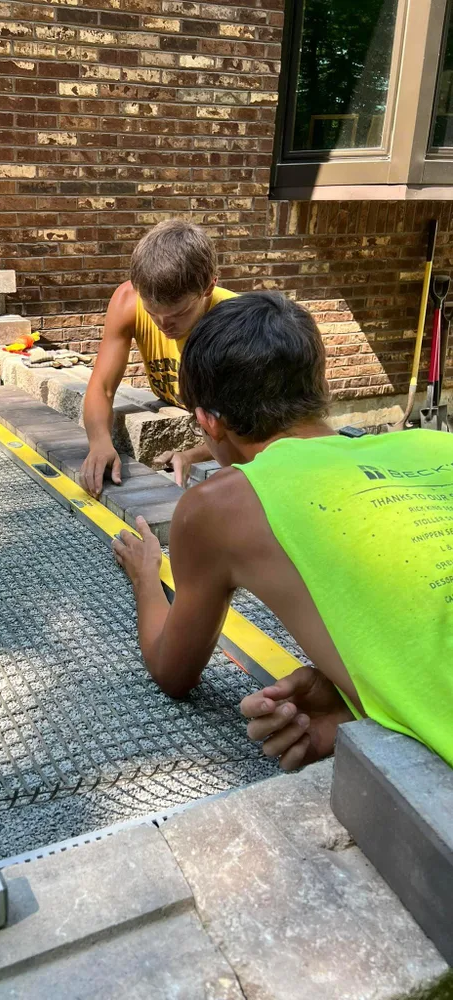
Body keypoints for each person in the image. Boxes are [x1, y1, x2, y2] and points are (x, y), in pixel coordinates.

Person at [112, 291, 453, 770]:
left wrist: (147, 576)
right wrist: (353, 702)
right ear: (320, 385)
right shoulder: (436, 445)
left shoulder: (218, 505)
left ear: (209, 421)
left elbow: (174, 671)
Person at [79, 219, 238, 497]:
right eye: (152, 313)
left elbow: (251, 433)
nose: (164, 326)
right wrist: (100, 442)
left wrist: (192, 454)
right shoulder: (128, 301)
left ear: (209, 287)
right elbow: (102, 387)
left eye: (178, 315)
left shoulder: (237, 323)